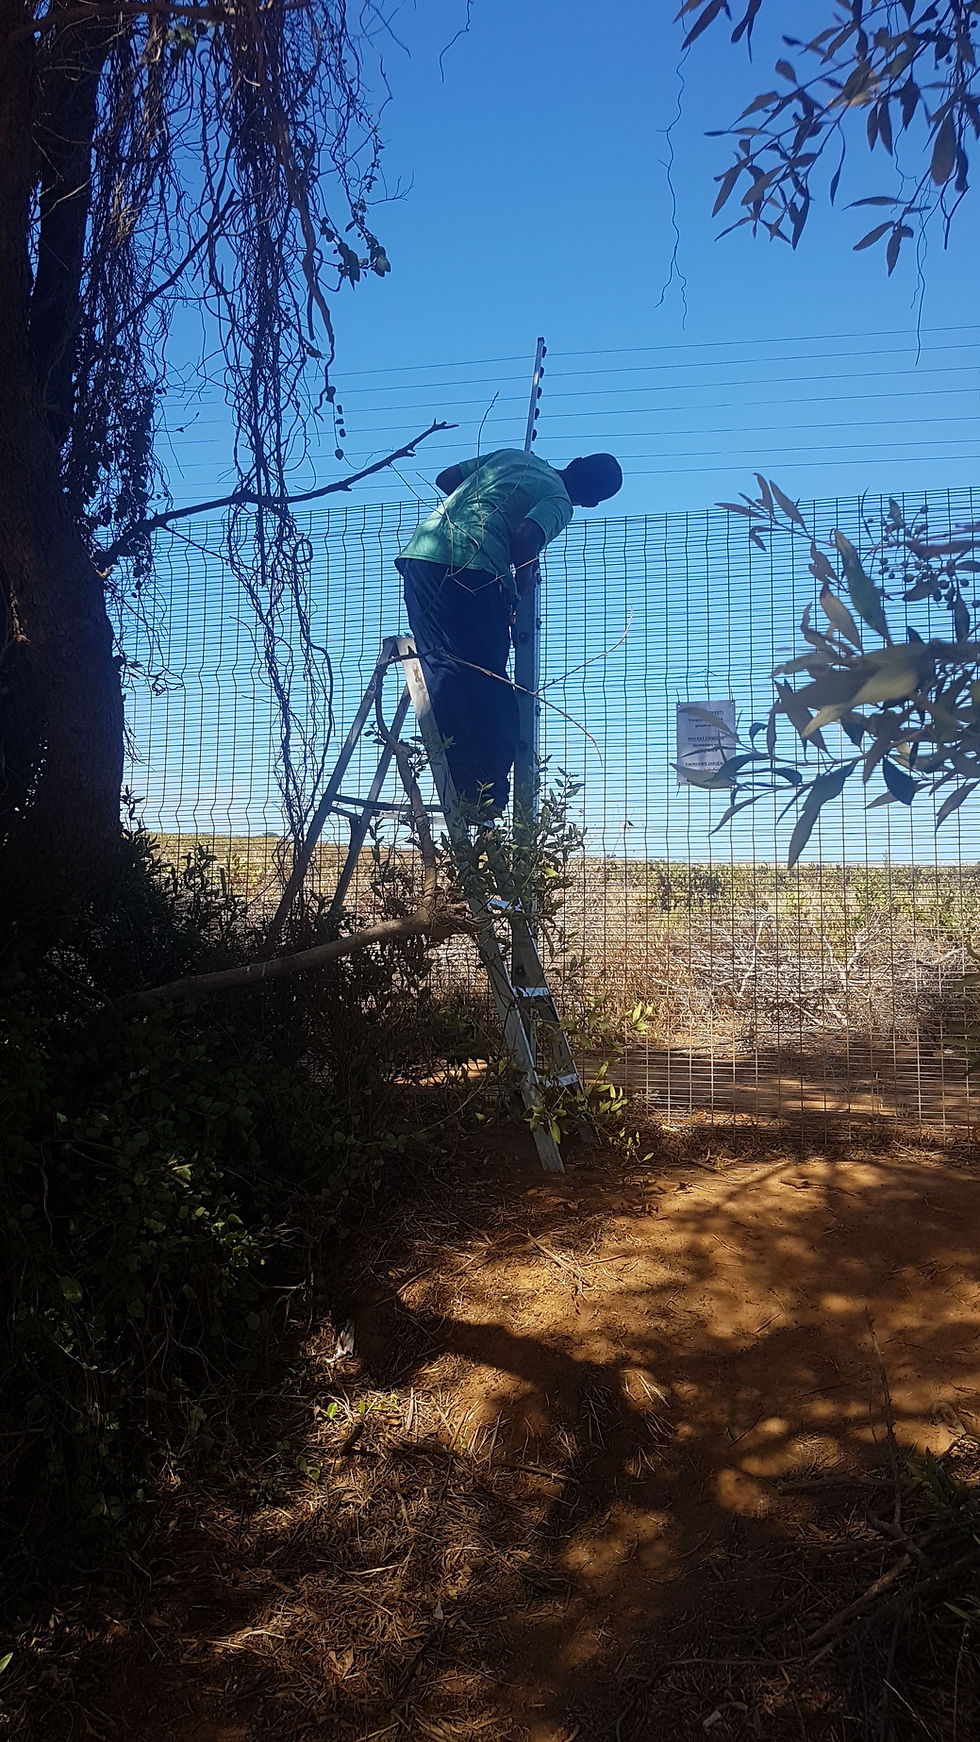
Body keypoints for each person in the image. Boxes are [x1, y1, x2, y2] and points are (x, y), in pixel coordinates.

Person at [395, 449, 623, 819]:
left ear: (576, 460)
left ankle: (463, 778)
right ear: (592, 502)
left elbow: (447, 478)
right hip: (475, 570)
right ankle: (486, 793)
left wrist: (484, 504)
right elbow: (524, 536)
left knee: (442, 665)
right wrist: (525, 577)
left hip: (423, 558)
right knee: (488, 680)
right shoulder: (560, 500)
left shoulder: (517, 458)